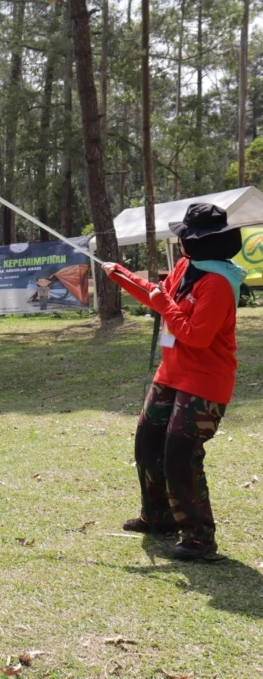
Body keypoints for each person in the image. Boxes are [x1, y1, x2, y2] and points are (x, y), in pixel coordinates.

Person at [103, 203, 246, 561]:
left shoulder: (217, 283)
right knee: (147, 443)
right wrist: (120, 275)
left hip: (205, 381)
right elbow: (159, 294)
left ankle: (199, 538)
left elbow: (195, 335)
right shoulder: (187, 266)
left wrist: (164, 304)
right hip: (171, 373)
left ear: (197, 241)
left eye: (184, 235)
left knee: (180, 456)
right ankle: (159, 518)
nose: (180, 240)